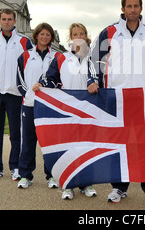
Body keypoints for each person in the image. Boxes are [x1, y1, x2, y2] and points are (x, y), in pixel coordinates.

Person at [87, 0, 145, 207]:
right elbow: (94, 60)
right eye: (129, 6)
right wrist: (92, 81)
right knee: (119, 144)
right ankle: (119, 187)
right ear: (122, 8)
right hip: (117, 97)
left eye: (136, 6)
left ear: (141, 9)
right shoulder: (110, 32)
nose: (132, 9)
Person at [33, 23, 98, 199]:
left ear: (86, 36)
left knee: (86, 147)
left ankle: (86, 183)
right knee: (69, 148)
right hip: (68, 110)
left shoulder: (94, 58)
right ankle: (68, 184)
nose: (78, 36)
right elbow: (50, 77)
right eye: (75, 34)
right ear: (70, 37)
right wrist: (41, 83)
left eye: (82, 33)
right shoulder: (62, 58)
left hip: (89, 110)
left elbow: (101, 78)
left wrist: (95, 84)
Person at [0, 9, 33, 180]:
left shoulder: (24, 42)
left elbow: (30, 67)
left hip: (16, 95)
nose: (6, 22)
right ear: (0, 21)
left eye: (10, 19)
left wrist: (23, 88)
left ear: (15, 21)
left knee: (16, 133)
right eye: (3, 19)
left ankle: (15, 166)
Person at [16, 23, 60, 189]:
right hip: (29, 104)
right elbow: (19, 80)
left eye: (48, 35)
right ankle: (25, 175)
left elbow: (59, 80)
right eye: (42, 34)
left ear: (51, 37)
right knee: (28, 142)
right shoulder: (25, 56)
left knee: (49, 143)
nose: (44, 37)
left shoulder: (56, 56)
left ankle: (51, 176)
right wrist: (28, 94)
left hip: (49, 107)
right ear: (36, 35)